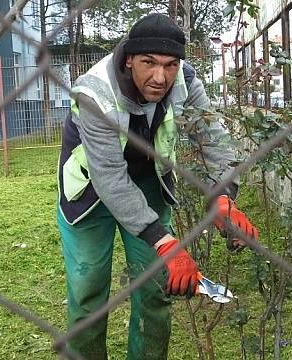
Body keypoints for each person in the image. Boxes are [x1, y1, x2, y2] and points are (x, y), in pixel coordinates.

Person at [56, 13, 259, 360]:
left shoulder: (187, 81)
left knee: (154, 291)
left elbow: (213, 140)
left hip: (148, 183)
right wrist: (166, 244)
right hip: (90, 193)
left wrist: (225, 198)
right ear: (129, 59)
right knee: (88, 294)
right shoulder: (95, 94)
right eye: (149, 63)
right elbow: (109, 176)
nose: (160, 77)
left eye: (170, 65)